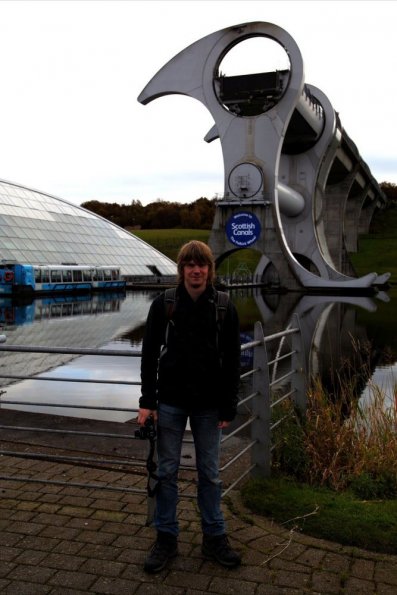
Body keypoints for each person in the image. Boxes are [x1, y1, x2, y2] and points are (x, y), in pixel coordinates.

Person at [138, 240, 241, 573]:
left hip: (209, 405)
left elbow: (233, 361)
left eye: (202, 265)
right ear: (181, 269)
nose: (196, 270)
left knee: (209, 475)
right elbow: (149, 354)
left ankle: (214, 538)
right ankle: (166, 539)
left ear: (209, 270)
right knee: (167, 472)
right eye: (190, 265)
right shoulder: (164, 304)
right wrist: (147, 402)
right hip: (169, 402)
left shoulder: (223, 306)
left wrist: (229, 404)